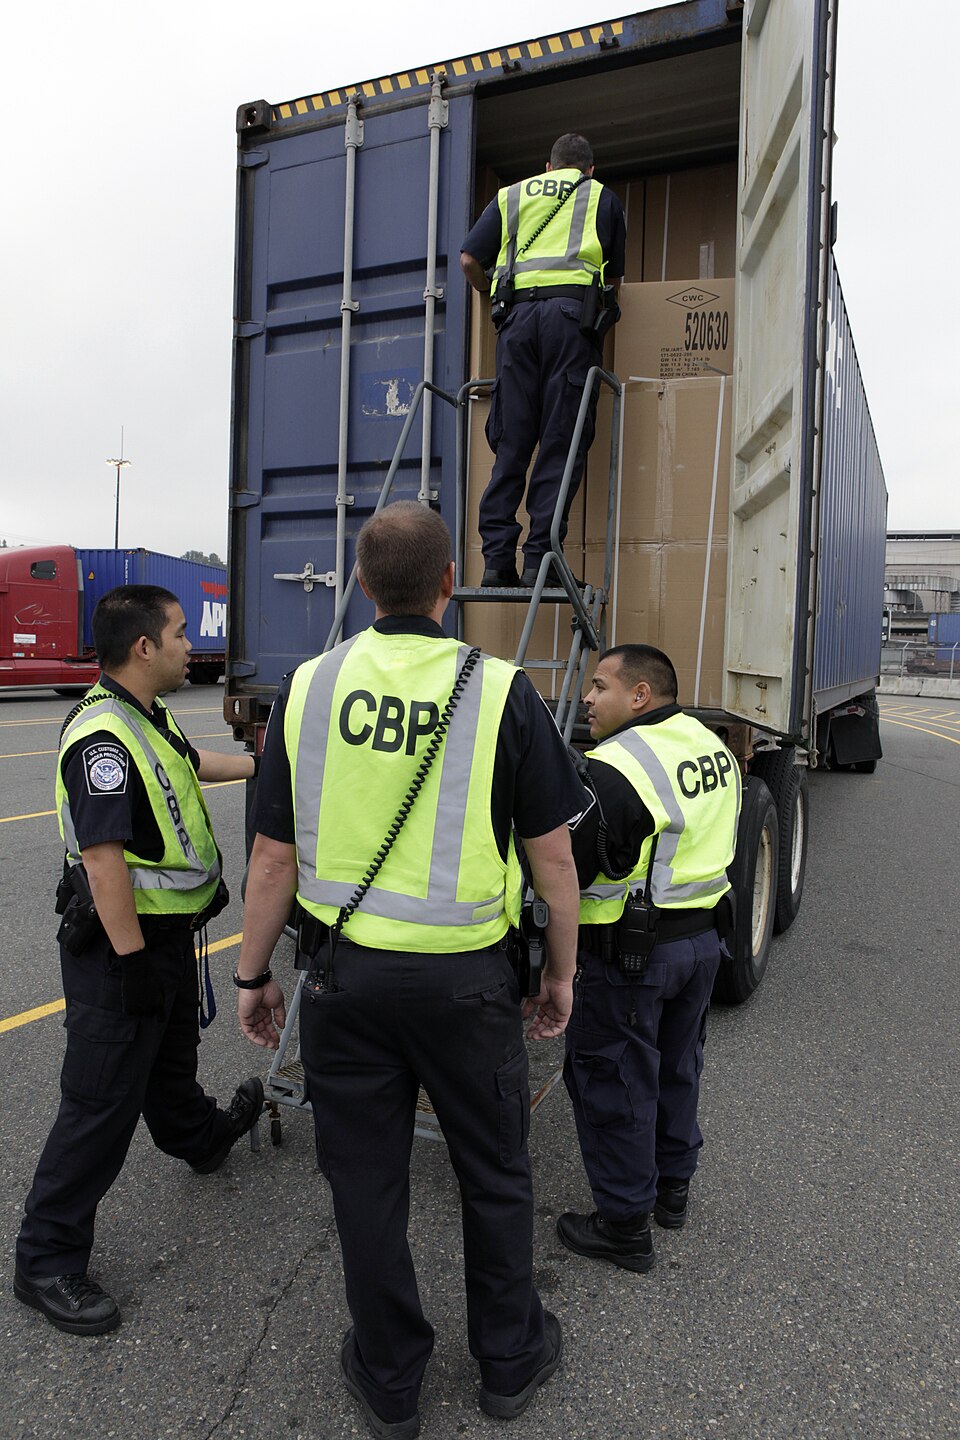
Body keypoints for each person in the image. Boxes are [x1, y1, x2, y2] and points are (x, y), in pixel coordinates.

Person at [236, 500, 583, 1439]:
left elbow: (273, 858)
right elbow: (555, 860)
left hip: (345, 984)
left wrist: (253, 978)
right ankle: (508, 1364)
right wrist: (560, 976)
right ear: (445, 587)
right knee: (495, 1173)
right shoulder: (502, 689)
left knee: (367, 1181)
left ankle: (391, 1381)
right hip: (468, 986)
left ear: (357, 580)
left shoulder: (308, 686)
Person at [14, 585, 264, 1336]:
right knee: (99, 1104)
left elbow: (199, 765)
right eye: (182, 634)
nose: (194, 647)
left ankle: (199, 1136)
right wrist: (130, 963)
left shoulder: (145, 719)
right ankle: (46, 1260)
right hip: (122, 950)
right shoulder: (102, 741)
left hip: (162, 939)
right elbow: (103, 861)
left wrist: (269, 764)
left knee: (169, 1059)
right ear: (144, 648)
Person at [558, 644, 741, 1273]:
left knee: (615, 1081)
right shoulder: (711, 745)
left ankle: (624, 1226)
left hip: (628, 955)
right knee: (677, 1066)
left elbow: (570, 874)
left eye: (600, 686)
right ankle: (673, 1191)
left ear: (640, 696)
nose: (587, 698)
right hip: (701, 945)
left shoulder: (612, 767)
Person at [460, 132, 626, 588]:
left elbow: (470, 260)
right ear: (589, 170)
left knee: (512, 442)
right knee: (560, 440)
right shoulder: (601, 198)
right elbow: (613, 282)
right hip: (571, 324)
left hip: (516, 327)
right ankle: (540, 560)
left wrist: (491, 293)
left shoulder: (511, 196)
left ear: (548, 167)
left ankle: (496, 563)